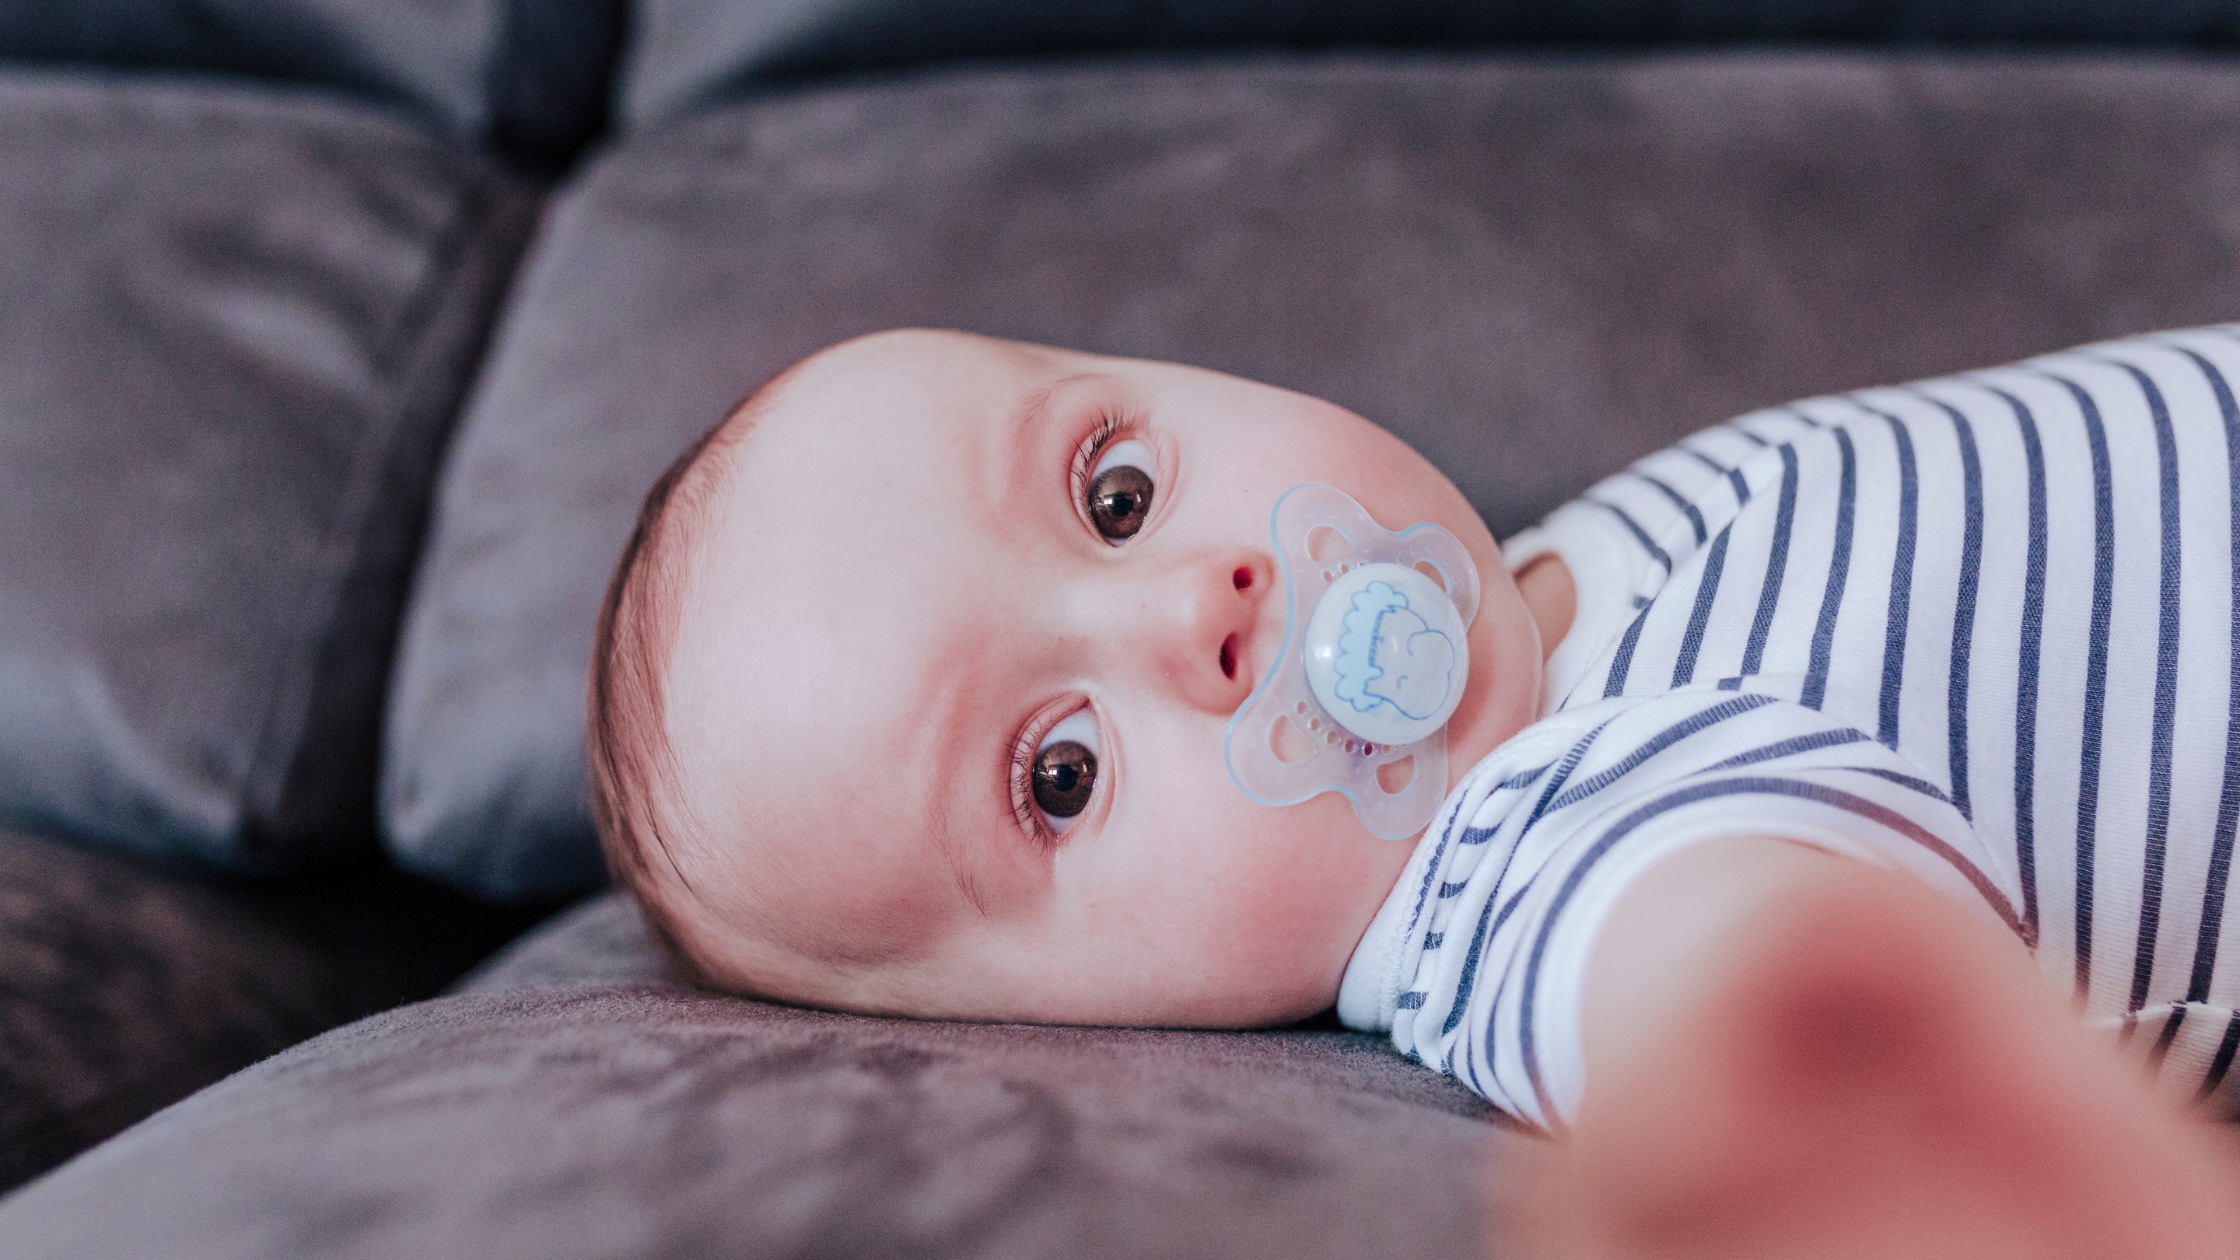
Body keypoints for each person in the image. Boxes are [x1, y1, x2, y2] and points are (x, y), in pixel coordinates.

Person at [588, 325, 2240, 1255]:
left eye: (1115, 491)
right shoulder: (1524, 865)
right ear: (1061, 1025)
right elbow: (1724, 944)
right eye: (1063, 774)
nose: (1195, 606)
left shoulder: (1541, 575)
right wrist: (1787, 1088)